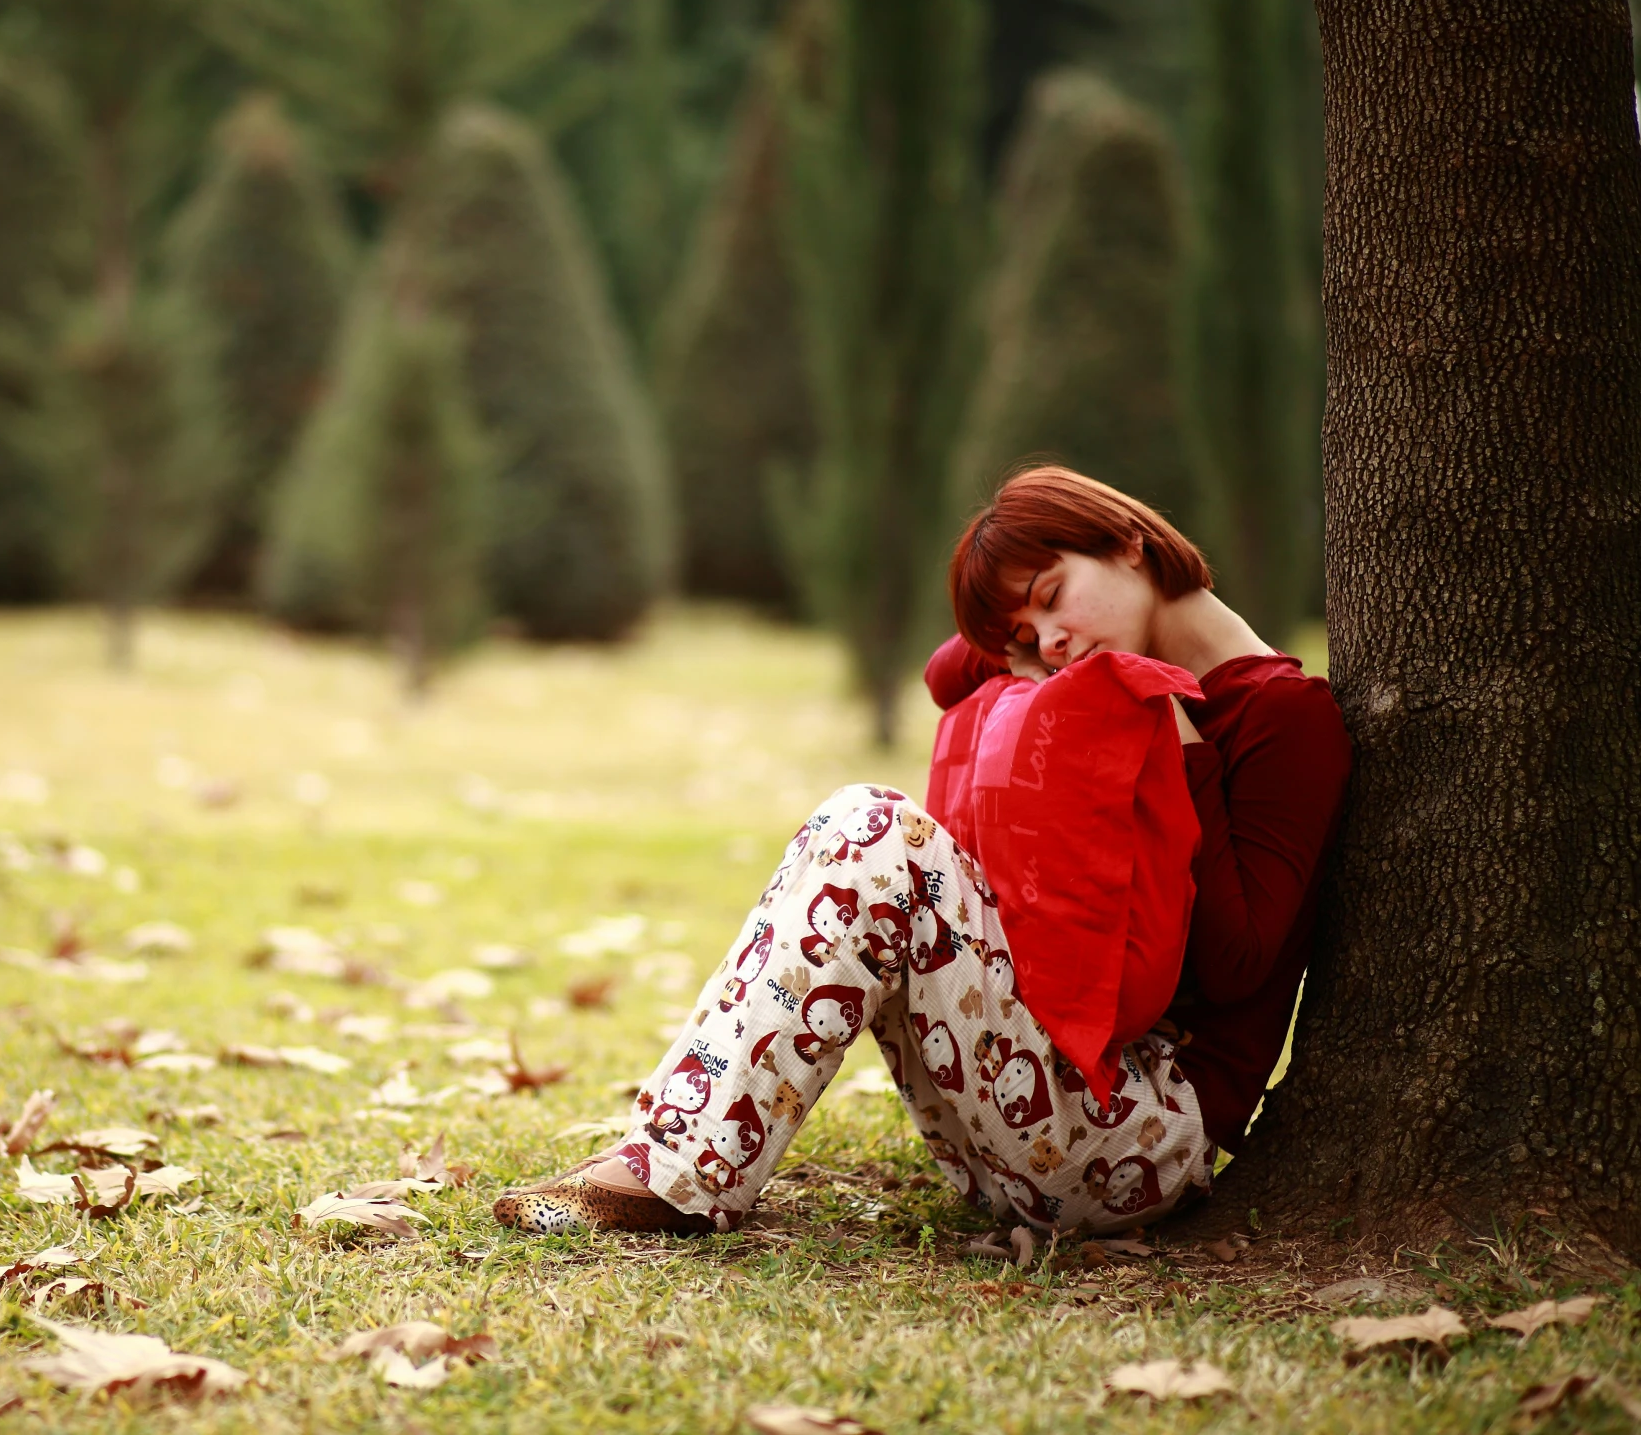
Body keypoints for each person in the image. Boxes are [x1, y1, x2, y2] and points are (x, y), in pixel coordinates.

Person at [493, 466, 1351, 1236]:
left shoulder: (1284, 714)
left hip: (1143, 1140)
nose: (1049, 641)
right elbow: (953, 673)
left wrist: (1179, 748)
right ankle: (671, 1157)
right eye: (1027, 629)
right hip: (1014, 1132)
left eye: (1053, 594)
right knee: (862, 825)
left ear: (1129, 542)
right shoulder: (1102, 685)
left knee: (873, 829)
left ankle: (677, 1173)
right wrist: (1015, 632)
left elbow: (1242, 967)